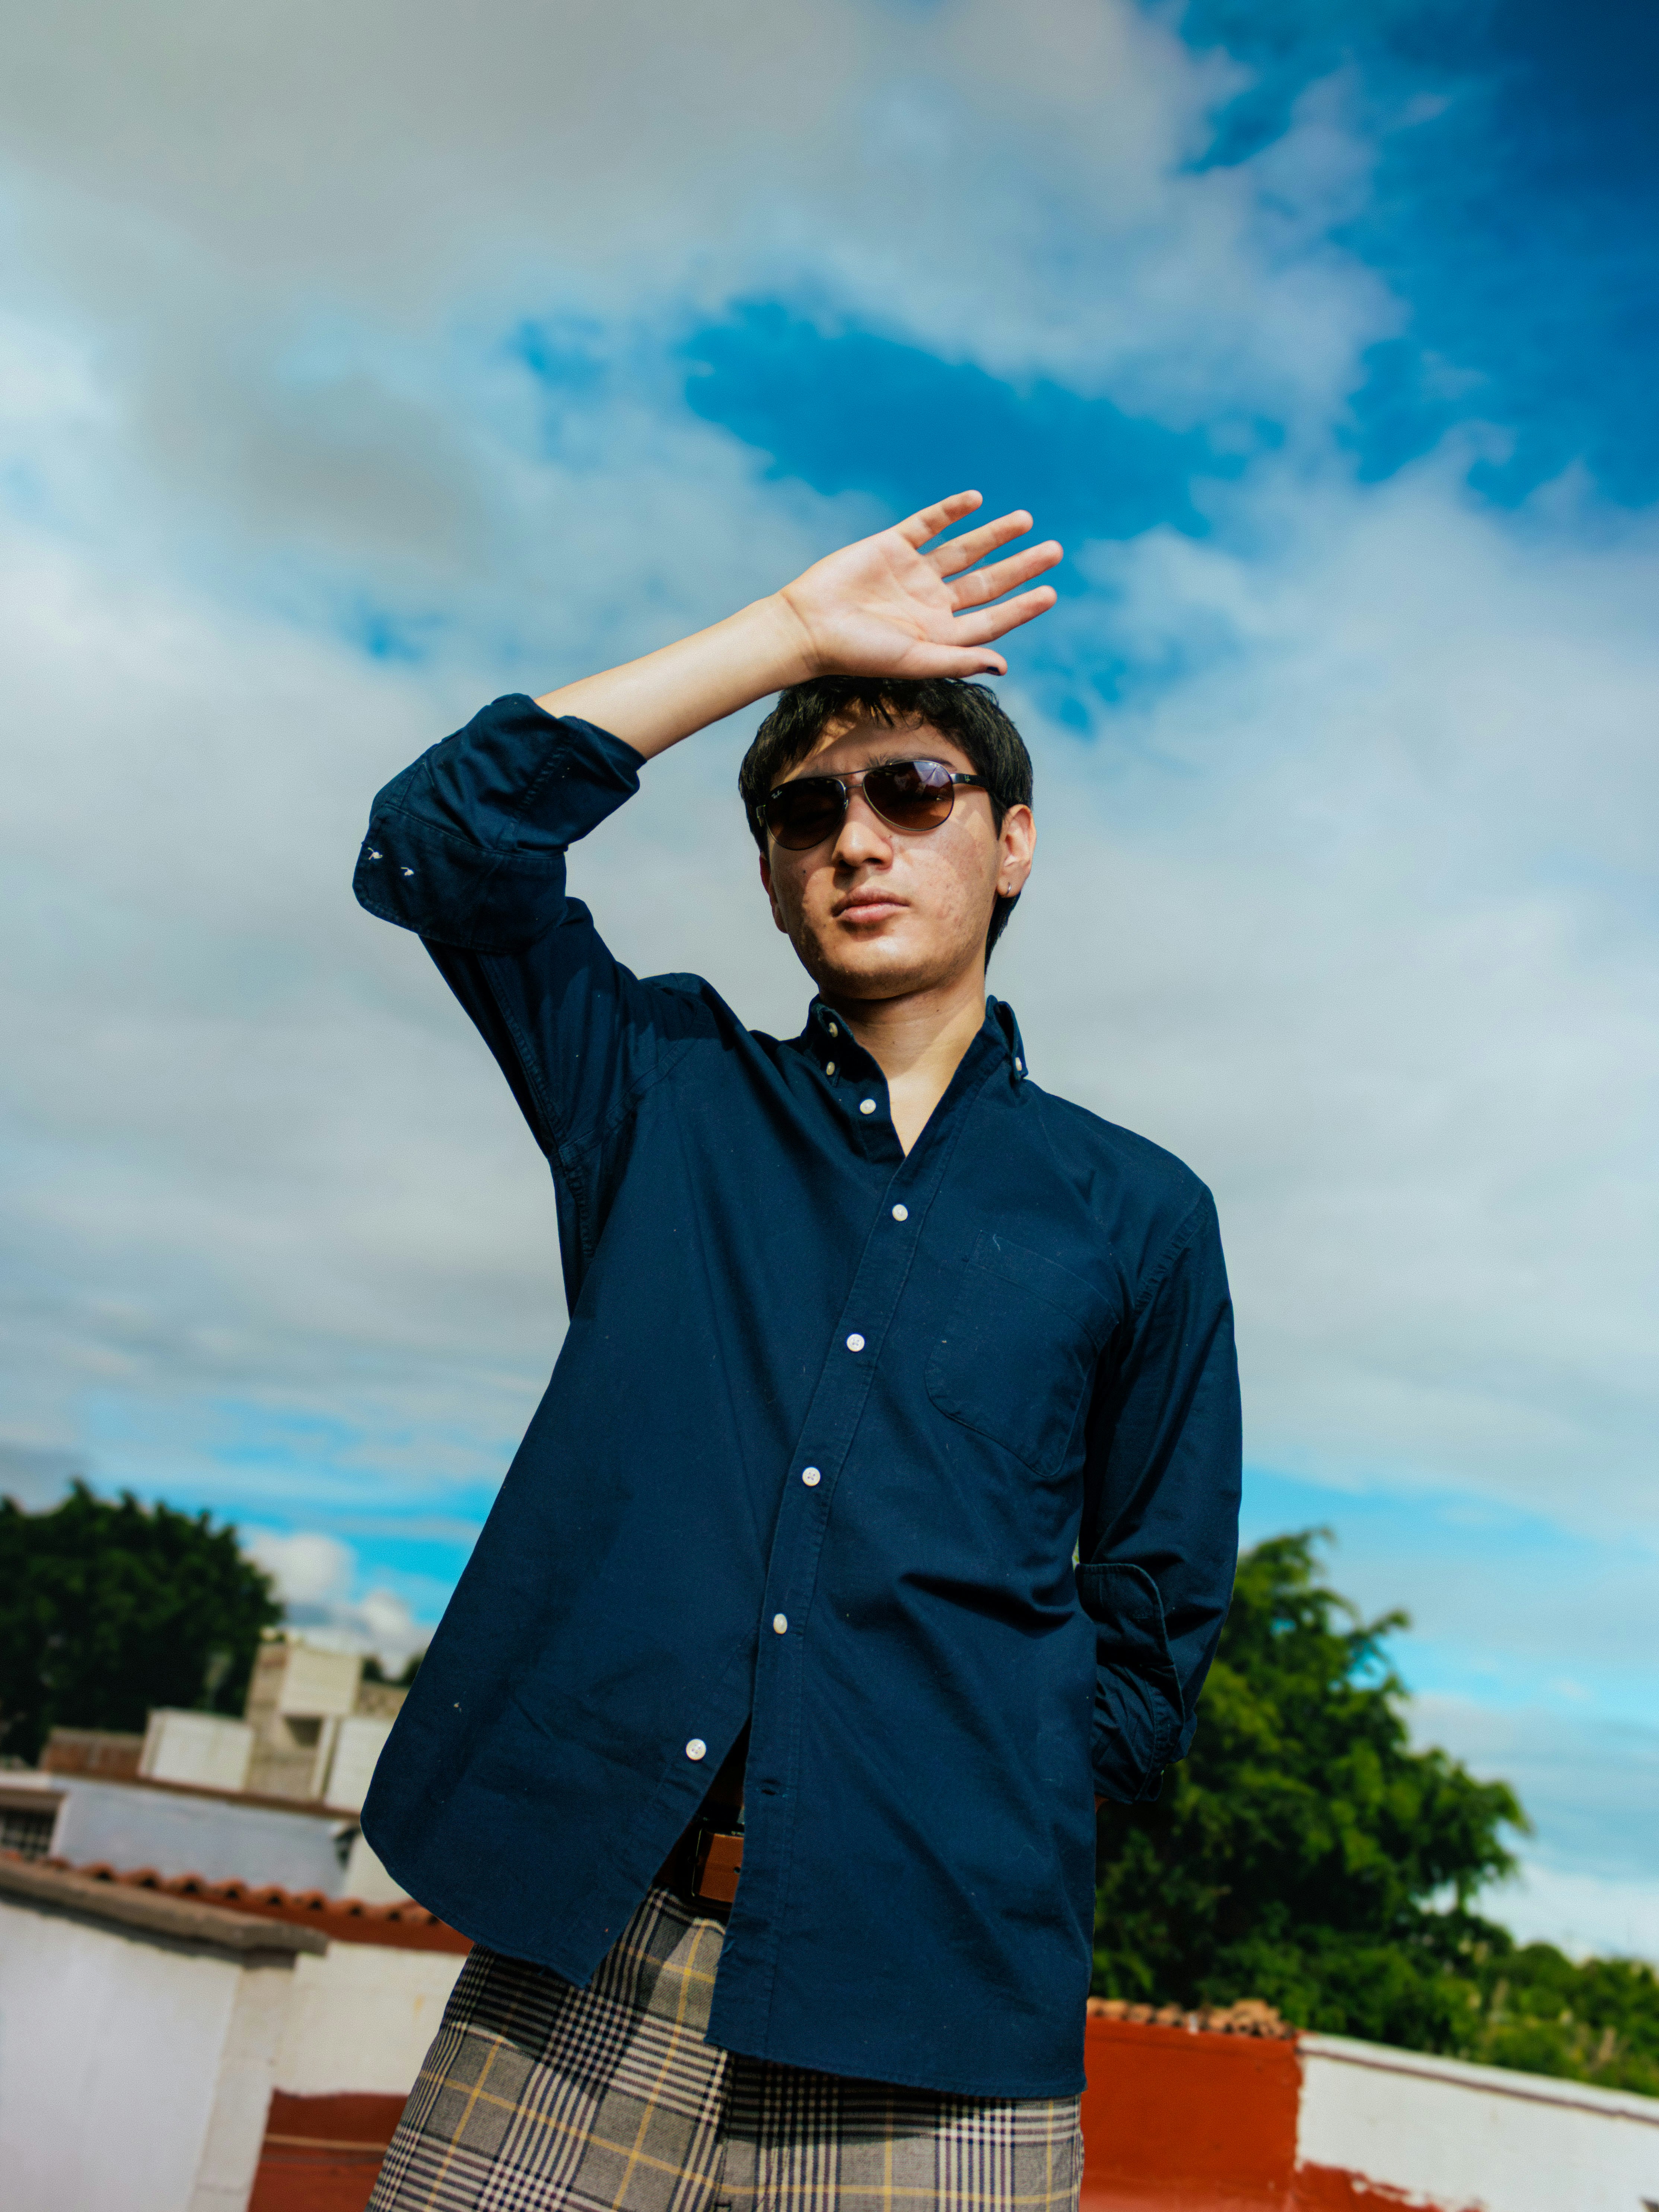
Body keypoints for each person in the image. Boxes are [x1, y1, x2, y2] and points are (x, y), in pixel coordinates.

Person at [354, 489, 1241, 2212]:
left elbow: (1152, 1620)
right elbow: (439, 846)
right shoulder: (664, 1091)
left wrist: (994, 1802)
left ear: (1014, 841)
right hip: (582, 1975)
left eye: (913, 791)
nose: (857, 835)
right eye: (803, 808)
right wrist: (784, 637)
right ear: (768, 873)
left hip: (934, 2020)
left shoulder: (1138, 1213)